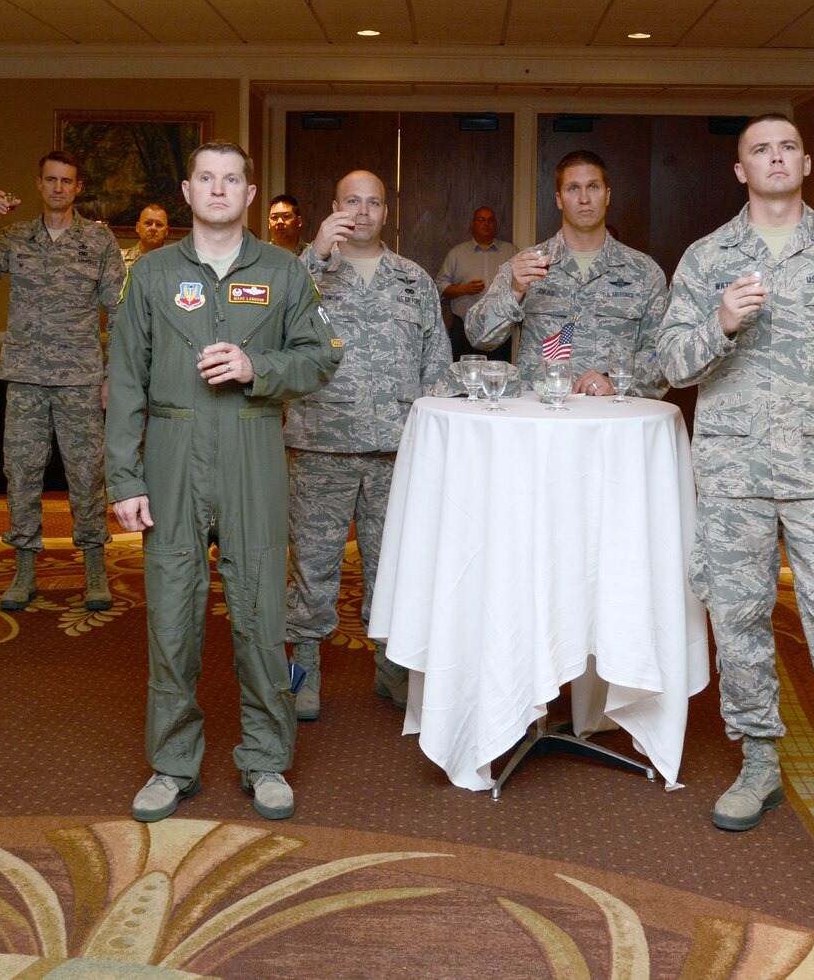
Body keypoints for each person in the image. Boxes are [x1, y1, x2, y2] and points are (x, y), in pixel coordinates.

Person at [656, 112, 814, 884]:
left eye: (786, 147)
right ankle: (759, 758)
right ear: (740, 170)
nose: (774, 158)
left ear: (806, 162)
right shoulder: (708, 258)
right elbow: (671, 359)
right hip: (733, 472)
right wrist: (722, 322)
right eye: (758, 149)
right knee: (737, 619)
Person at [106, 142, 340, 824]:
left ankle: (265, 757)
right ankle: (172, 762)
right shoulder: (148, 276)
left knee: (261, 614)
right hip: (173, 454)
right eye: (205, 177)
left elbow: (321, 356)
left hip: (252, 445)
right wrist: (124, 475)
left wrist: (255, 365)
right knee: (173, 618)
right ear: (187, 190)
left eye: (230, 179)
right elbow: (123, 382)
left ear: (248, 192)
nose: (217, 188)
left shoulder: (284, 273)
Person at [287, 170, 450, 720]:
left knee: (395, 569)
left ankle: (391, 668)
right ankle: (302, 674)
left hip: (396, 452)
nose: (361, 211)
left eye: (373, 202)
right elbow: (266, 328)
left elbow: (438, 367)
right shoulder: (301, 274)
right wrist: (312, 256)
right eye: (351, 201)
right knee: (311, 569)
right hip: (318, 446)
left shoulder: (413, 280)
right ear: (333, 207)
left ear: (387, 211)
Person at [0, 151, 125, 611]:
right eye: (50, 180)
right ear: (38, 185)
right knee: (22, 474)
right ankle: (25, 572)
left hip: (80, 379)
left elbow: (121, 312)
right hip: (27, 378)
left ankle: (94, 571)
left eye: (66, 181)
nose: (57, 188)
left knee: (87, 475)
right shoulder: (15, 237)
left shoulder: (98, 241)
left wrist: (113, 376)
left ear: (78, 187)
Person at [463, 150, 667, 397]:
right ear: (559, 199)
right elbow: (478, 336)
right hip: (541, 418)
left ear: (607, 196)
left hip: (613, 421)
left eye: (593, 187)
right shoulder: (527, 264)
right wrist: (514, 291)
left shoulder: (644, 272)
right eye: (573, 188)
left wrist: (618, 382)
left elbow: (663, 352)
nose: (584, 198)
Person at [435, 206, 516, 360]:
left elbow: (523, 284)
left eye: (490, 220)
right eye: (481, 219)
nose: (486, 223)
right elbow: (439, 286)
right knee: (463, 378)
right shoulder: (457, 253)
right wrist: (463, 289)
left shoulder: (510, 252)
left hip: (499, 328)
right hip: (464, 329)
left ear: (495, 224)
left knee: (498, 378)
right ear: (472, 224)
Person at [123, 202, 171, 268]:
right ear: (138, 227)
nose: (153, 228)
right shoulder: (119, 259)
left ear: (166, 231)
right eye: (148, 223)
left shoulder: (179, 261)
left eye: (159, 225)